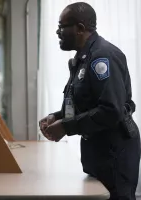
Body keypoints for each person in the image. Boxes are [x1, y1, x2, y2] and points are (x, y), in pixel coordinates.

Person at [39, 2, 140, 200]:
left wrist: (66, 127)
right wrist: (56, 116)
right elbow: (86, 103)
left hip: (114, 152)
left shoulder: (102, 58)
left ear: (80, 29)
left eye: (62, 26)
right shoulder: (83, 59)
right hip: (99, 150)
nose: (57, 32)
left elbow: (111, 110)